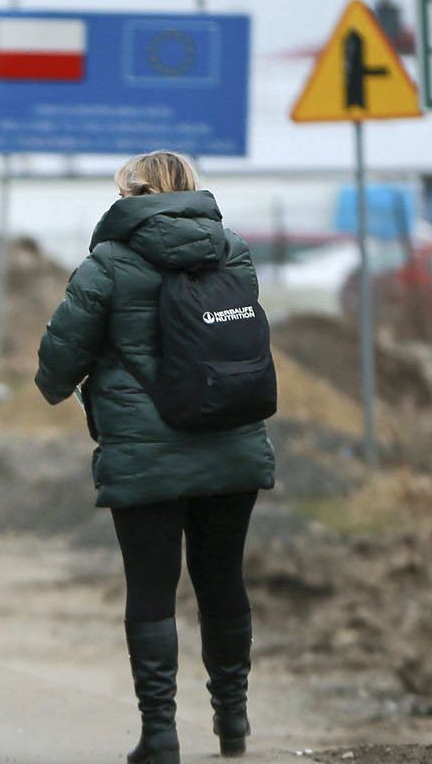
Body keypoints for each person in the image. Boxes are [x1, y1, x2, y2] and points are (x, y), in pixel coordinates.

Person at [34, 150, 276, 764]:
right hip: (229, 441)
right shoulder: (234, 253)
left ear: (133, 193)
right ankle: (232, 723)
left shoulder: (109, 263)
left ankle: (161, 733)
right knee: (223, 579)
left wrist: (59, 383)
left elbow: (58, 363)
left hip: (146, 453)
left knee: (151, 588)